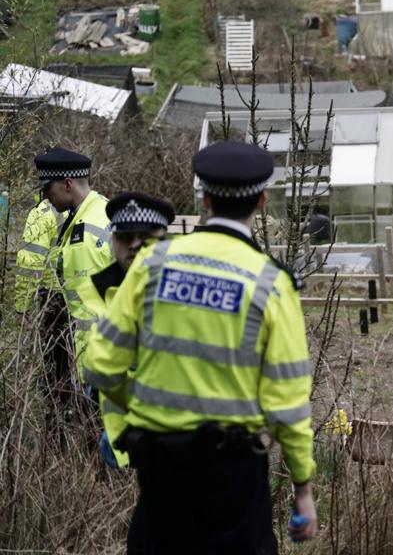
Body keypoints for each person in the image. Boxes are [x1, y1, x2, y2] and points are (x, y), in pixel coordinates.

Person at [84, 141, 317, 552]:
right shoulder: (271, 283)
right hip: (233, 475)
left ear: (205, 199)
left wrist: (133, 415)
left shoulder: (153, 264)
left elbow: (102, 365)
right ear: (262, 201)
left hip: (159, 465)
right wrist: (302, 486)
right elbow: (288, 402)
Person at [77, 193, 175, 470]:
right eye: (125, 236)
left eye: (145, 236)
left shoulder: (185, 293)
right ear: (112, 239)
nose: (134, 245)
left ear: (163, 239)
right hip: (109, 435)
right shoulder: (94, 290)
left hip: (168, 439)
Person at [36, 147, 112, 386]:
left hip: (97, 359)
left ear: (67, 183)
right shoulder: (100, 208)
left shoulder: (85, 236)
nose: (46, 196)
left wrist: (87, 370)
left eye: (48, 188)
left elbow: (88, 310)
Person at [15, 195, 69, 415]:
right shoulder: (84, 208)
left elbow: (30, 261)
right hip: (80, 297)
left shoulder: (44, 212)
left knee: (55, 372)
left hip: (53, 300)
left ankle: (55, 427)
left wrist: (22, 306)